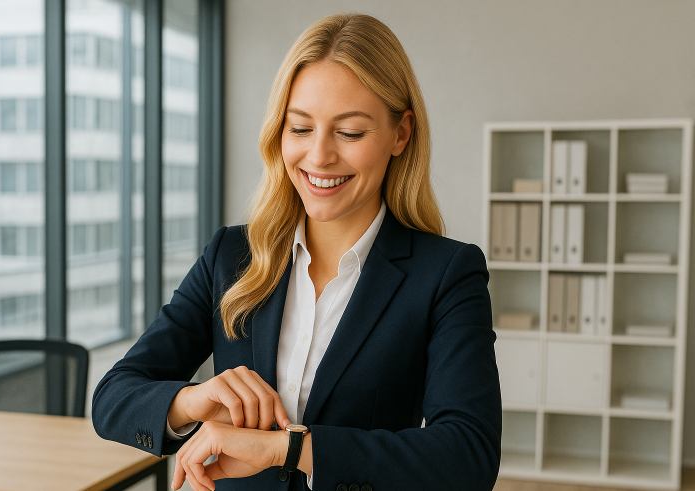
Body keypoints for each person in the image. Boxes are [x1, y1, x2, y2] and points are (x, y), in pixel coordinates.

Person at [92, 12, 501, 491]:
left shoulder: (446, 273)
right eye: (300, 128)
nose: (320, 156)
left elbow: (469, 454)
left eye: (350, 132)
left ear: (401, 133)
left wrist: (289, 449)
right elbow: (113, 397)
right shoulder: (231, 255)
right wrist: (192, 401)